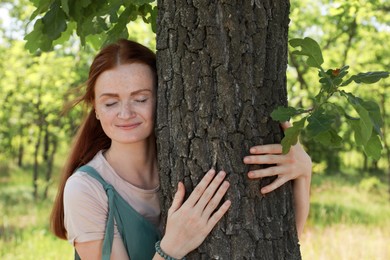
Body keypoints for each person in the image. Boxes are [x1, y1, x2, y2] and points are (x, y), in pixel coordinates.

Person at [50, 39, 312, 260]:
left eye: (141, 99)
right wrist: (170, 248)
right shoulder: (86, 189)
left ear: (163, 97)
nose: (125, 113)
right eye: (110, 103)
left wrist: (303, 175)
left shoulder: (187, 157)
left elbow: (277, 246)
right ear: (95, 108)